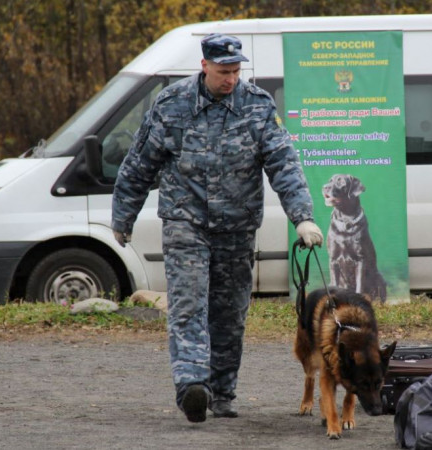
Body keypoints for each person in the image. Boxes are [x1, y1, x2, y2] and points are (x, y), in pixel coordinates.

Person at [111, 33, 323, 423]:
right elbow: (140, 163)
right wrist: (123, 216)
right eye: (224, 71)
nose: (231, 79)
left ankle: (223, 393)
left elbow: (283, 163)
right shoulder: (171, 105)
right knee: (189, 304)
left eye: (236, 71)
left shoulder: (257, 107)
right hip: (185, 222)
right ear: (204, 66)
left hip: (237, 227)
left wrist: (302, 216)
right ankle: (193, 385)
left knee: (229, 314)